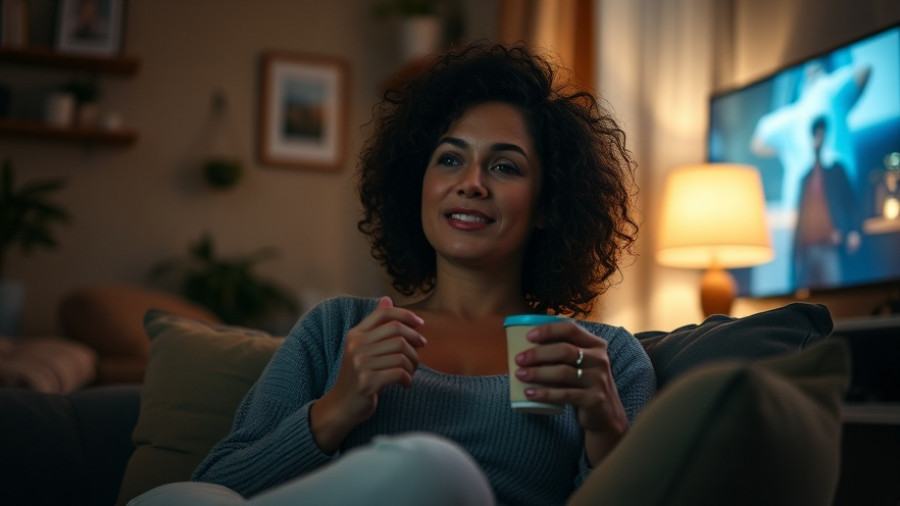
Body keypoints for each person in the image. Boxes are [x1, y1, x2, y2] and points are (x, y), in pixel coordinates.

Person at [128, 41, 656, 506]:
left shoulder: (603, 359)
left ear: (548, 203)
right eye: (449, 160)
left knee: (433, 468)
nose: (470, 183)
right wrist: (336, 410)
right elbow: (219, 483)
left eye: (504, 166)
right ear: (417, 185)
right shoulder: (338, 330)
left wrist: (606, 429)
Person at [792, 116, 862, 289]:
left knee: (834, 293)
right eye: (816, 135)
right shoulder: (805, 178)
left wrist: (853, 230)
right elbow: (800, 218)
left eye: (822, 135)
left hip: (830, 246)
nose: (819, 140)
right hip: (807, 250)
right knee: (805, 300)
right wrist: (796, 253)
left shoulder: (837, 170)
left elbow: (850, 202)